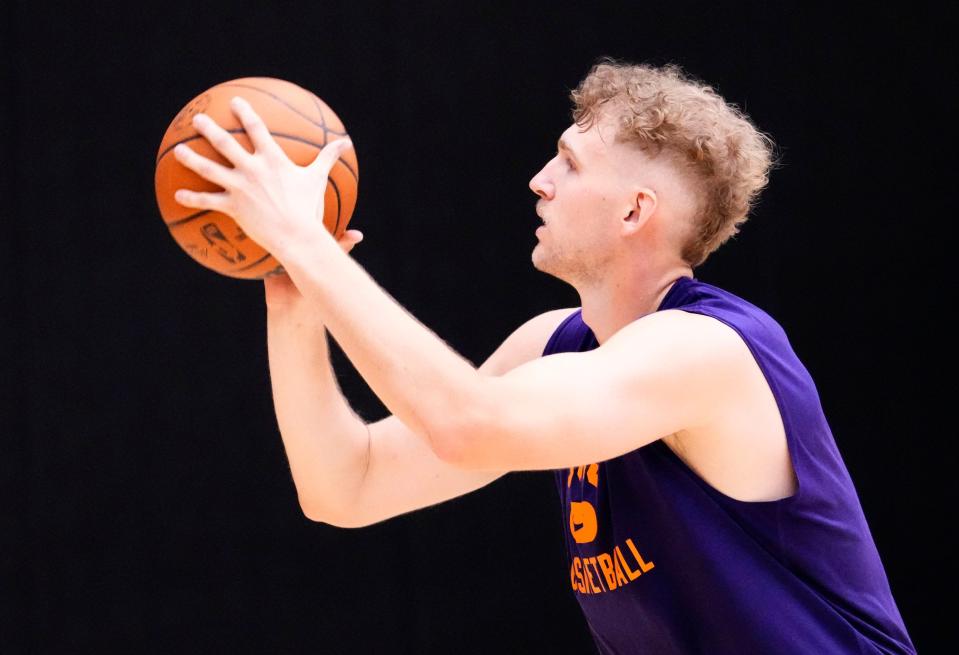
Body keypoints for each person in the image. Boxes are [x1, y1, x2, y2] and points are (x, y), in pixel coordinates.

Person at [172, 58, 915, 654]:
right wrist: (294, 294)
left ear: (633, 211)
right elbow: (346, 486)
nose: (539, 180)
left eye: (569, 161)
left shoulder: (708, 349)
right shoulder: (555, 342)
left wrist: (304, 237)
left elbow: (466, 422)